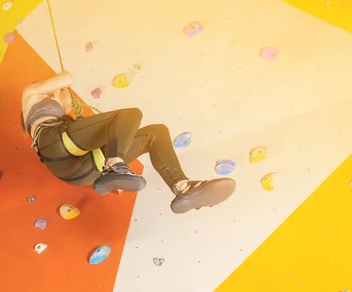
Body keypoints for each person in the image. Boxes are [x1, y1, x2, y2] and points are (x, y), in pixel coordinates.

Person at [20, 71, 236, 214]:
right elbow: (66, 79)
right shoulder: (30, 95)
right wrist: (60, 88)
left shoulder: (56, 118)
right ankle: (116, 164)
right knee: (130, 115)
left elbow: (67, 106)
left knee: (156, 133)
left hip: (81, 173)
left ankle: (184, 187)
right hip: (58, 146)